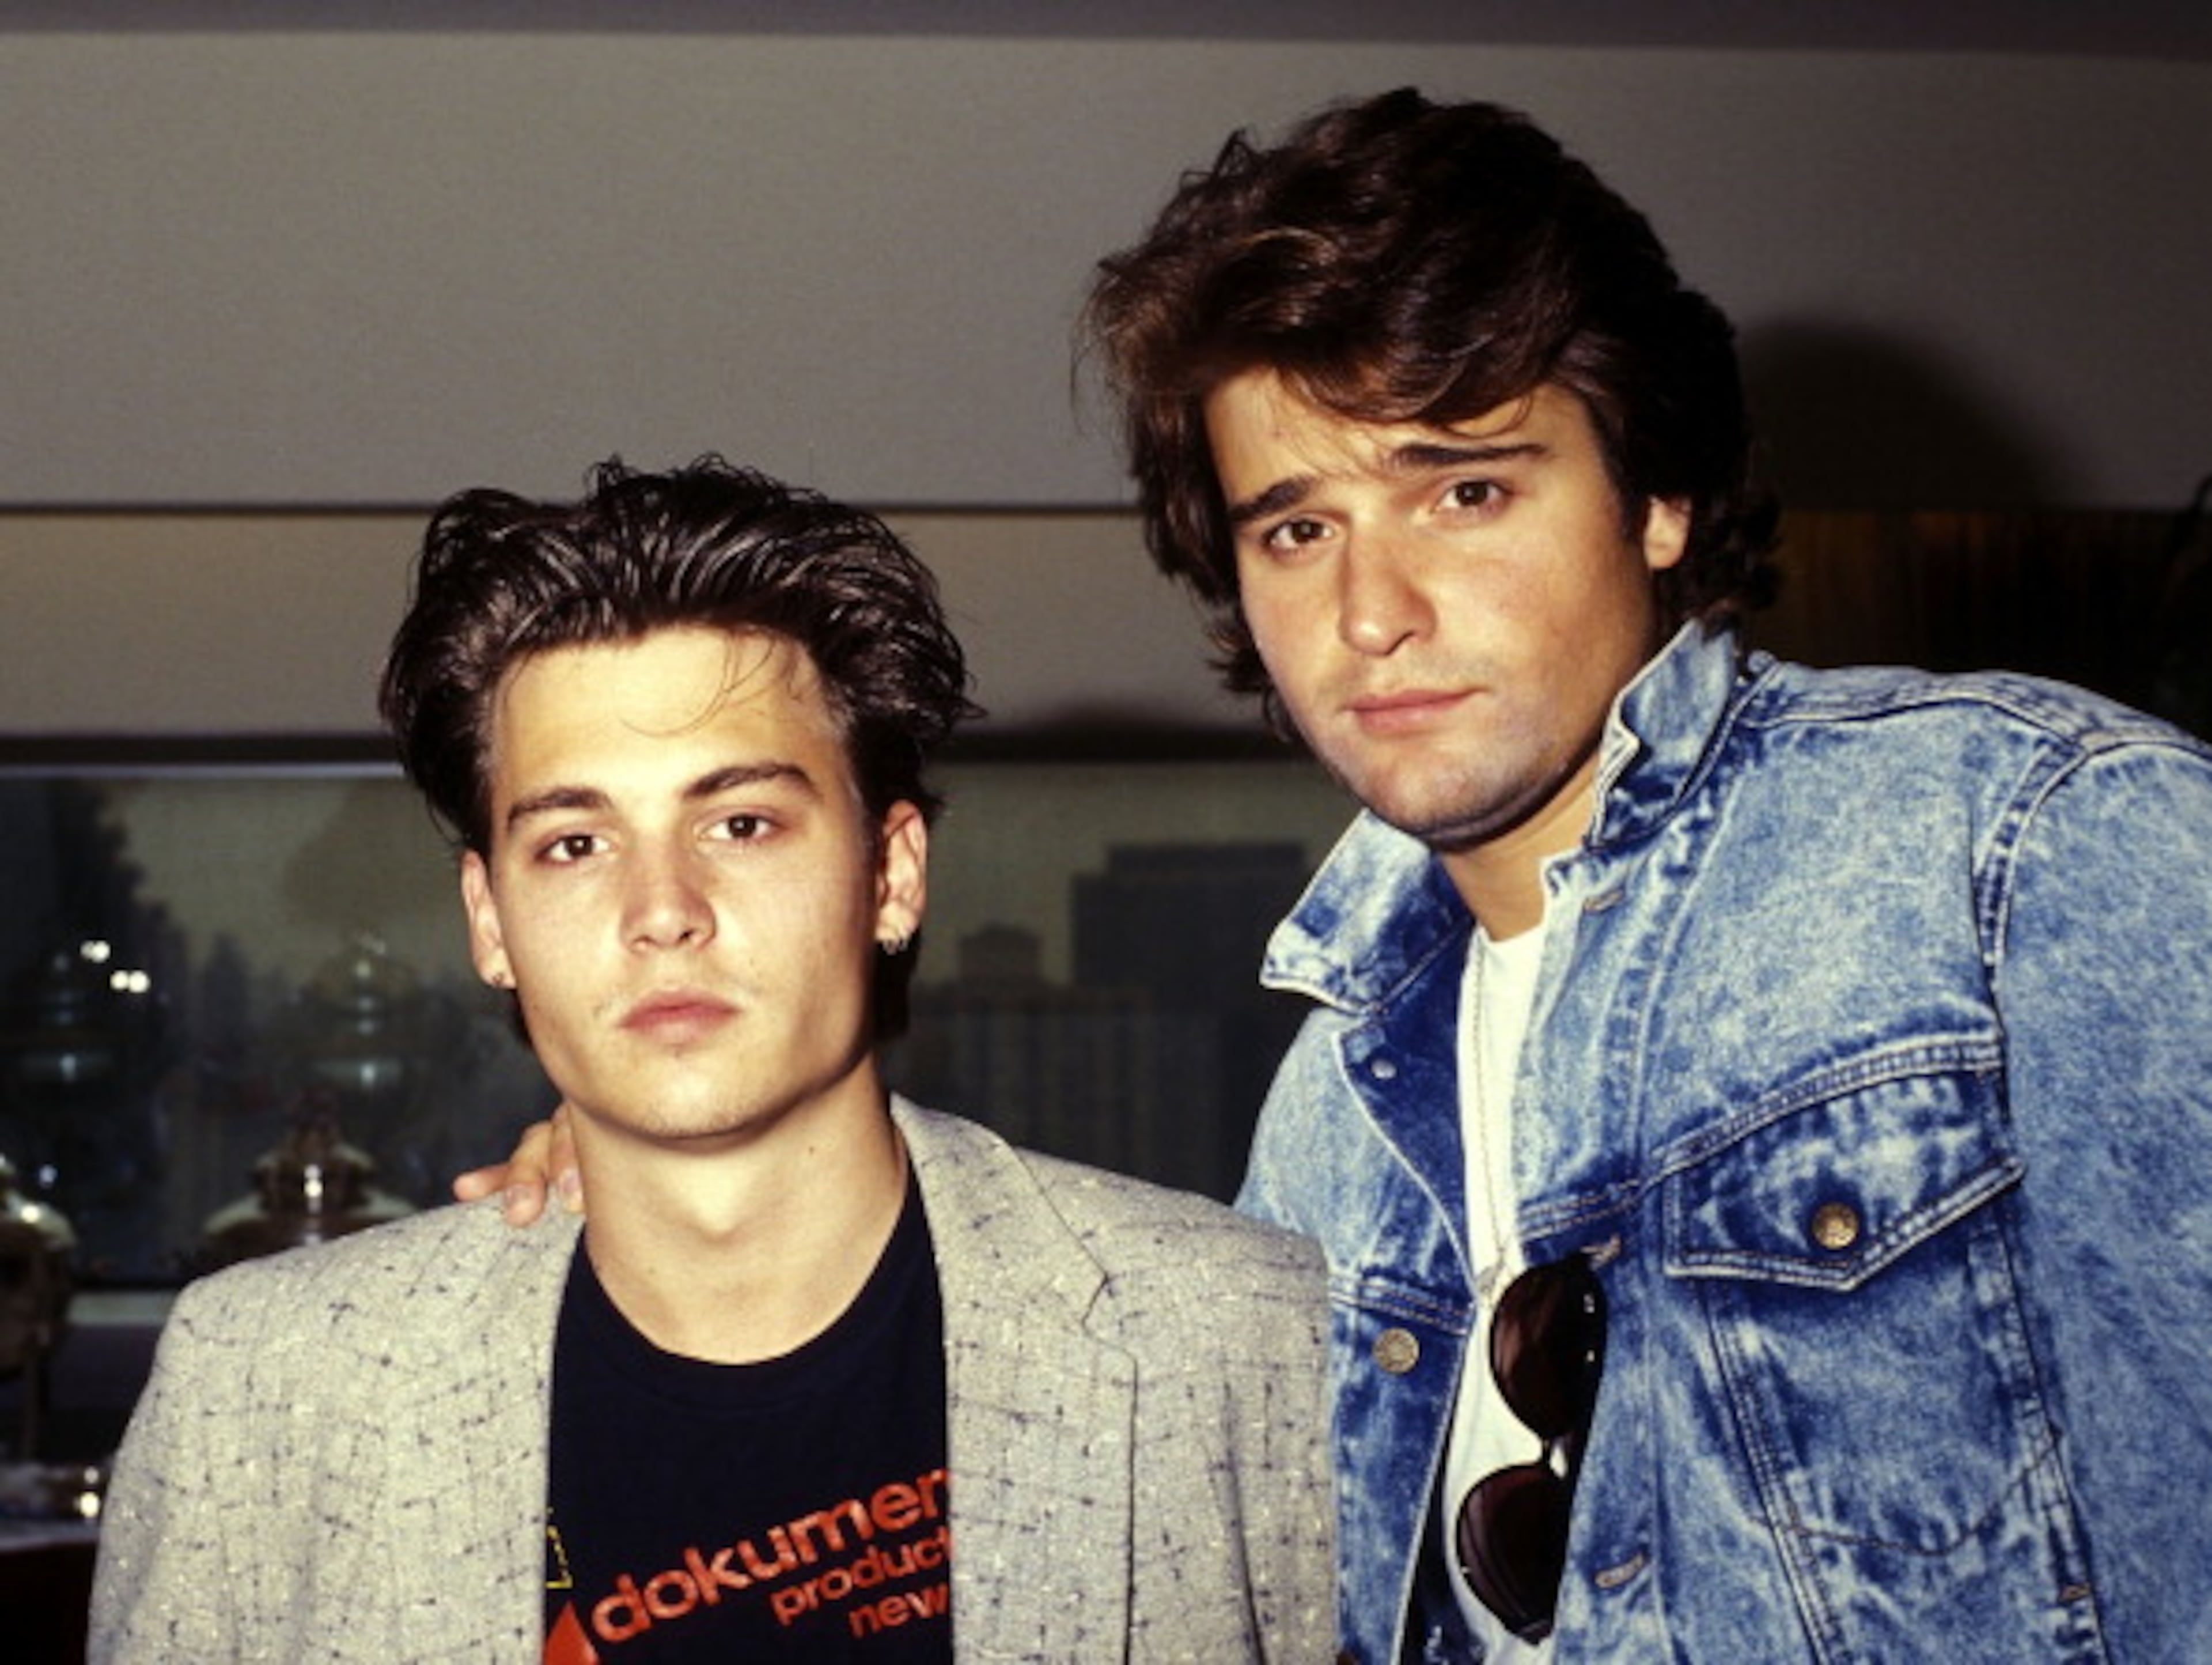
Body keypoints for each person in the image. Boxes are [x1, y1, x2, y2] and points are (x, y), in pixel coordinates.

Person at [468, 92, 2212, 1662]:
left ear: (1659, 495)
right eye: (1297, 528)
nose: (1370, 612)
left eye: (1462, 491)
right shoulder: (1331, 1115)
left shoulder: (2027, 849)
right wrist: (680, 1142)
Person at [89, 457, 1336, 1663]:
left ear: (891, 873)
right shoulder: (261, 1389)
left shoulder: (1235, 1335)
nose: (662, 907)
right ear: (489, 921)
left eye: (739, 823)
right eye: (575, 843)